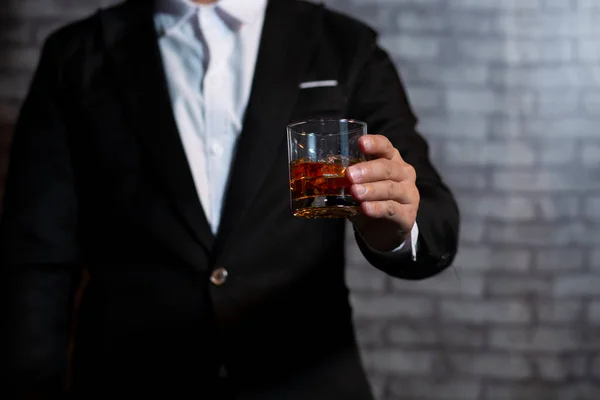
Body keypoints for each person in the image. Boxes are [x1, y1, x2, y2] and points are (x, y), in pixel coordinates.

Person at [0, 0, 459, 398]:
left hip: (306, 383)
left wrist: (397, 226)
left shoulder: (345, 45)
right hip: (128, 379)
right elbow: (37, 256)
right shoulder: (76, 56)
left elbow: (435, 218)